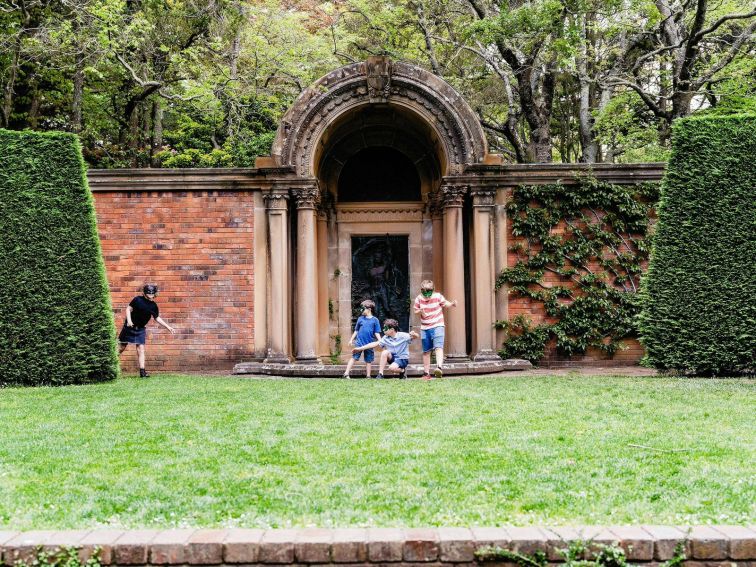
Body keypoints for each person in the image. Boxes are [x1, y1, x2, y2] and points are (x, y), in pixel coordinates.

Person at [118, 284, 175, 377]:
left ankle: (142, 372)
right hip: (129, 327)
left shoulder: (153, 306)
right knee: (121, 347)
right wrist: (129, 320)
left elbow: (157, 318)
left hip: (140, 329)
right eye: (148, 293)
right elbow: (128, 309)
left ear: (155, 293)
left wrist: (168, 327)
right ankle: (109, 365)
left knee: (141, 349)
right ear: (144, 293)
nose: (150, 295)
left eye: (152, 293)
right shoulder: (137, 300)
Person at [413, 279, 457, 380]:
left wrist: (452, 304)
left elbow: (445, 304)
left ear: (433, 290)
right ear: (421, 290)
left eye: (428, 291)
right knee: (426, 351)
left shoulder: (437, 296)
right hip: (425, 327)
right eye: (424, 291)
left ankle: (439, 368)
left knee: (438, 347)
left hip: (438, 325)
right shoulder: (419, 298)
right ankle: (426, 373)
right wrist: (420, 311)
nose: (426, 293)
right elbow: (415, 310)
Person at [352, 318, 419, 379]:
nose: (383, 330)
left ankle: (402, 370)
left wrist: (414, 334)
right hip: (392, 358)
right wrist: (360, 348)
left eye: (385, 328)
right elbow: (374, 344)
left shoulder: (403, 336)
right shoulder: (385, 338)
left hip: (402, 359)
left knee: (391, 368)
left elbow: (416, 336)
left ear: (392, 329)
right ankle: (380, 374)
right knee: (385, 352)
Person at [344, 299, 382, 379]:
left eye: (363, 308)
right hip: (359, 342)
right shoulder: (360, 319)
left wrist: (380, 340)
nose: (361, 310)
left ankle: (368, 376)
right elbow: (356, 331)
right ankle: (346, 373)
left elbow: (376, 332)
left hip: (369, 344)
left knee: (369, 360)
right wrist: (351, 339)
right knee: (354, 357)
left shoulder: (375, 320)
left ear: (369, 309)